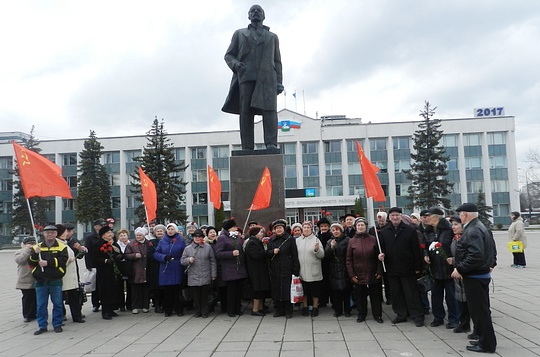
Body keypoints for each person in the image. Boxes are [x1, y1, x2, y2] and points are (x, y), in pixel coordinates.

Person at [222, 4, 283, 150]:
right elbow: (229, 55)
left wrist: (279, 82)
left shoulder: (272, 37)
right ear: (249, 16)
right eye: (252, 11)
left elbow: (277, 61)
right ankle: (247, 147)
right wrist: (236, 65)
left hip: (267, 79)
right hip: (246, 77)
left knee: (269, 111)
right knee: (246, 112)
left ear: (263, 16)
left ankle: (271, 144)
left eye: (259, 11)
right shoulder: (239, 34)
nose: (256, 12)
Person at [452, 203, 497, 353]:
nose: (459, 217)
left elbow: (476, 255)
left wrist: (460, 268)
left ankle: (487, 344)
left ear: (464, 214)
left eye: (460, 214)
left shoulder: (473, 230)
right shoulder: (478, 226)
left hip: (475, 276)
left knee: (480, 312)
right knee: (480, 311)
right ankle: (483, 338)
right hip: (479, 275)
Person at [378, 207, 425, 327]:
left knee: (411, 293)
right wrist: (381, 255)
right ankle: (401, 314)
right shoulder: (384, 232)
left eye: (397, 215)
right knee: (396, 293)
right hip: (391, 268)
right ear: (389, 217)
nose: (395, 217)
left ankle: (417, 315)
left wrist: (418, 267)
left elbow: (416, 250)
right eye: (392, 215)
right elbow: (381, 248)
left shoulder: (409, 230)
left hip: (407, 267)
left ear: (401, 216)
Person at [422, 207, 460, 329]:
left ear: (437, 217)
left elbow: (454, 246)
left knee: (451, 295)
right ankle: (438, 317)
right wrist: (426, 254)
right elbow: (425, 245)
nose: (427, 218)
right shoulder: (428, 230)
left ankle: (454, 319)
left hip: (447, 267)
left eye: (429, 216)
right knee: (436, 295)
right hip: (434, 267)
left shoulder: (448, 229)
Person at [28, 225, 68, 335]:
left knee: (58, 303)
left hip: (55, 278)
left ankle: (57, 324)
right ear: (44, 234)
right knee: (41, 304)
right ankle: (42, 326)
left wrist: (48, 263)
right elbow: (31, 262)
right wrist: (35, 254)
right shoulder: (37, 246)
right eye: (47, 232)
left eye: (52, 232)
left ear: (56, 234)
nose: (50, 234)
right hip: (41, 279)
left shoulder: (61, 247)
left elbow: (63, 260)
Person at [346, 217, 383, 323]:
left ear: (366, 227)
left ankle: (377, 315)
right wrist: (352, 274)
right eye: (358, 225)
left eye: (362, 225)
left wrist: (379, 271)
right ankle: (361, 314)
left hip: (373, 272)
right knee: (360, 296)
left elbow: (379, 257)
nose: (360, 227)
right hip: (358, 273)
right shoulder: (352, 241)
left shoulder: (373, 239)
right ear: (355, 227)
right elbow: (348, 259)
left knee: (375, 295)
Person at [181, 229, 217, 318]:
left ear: (202, 238)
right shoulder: (188, 248)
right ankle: (198, 311)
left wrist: (213, 274)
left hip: (205, 275)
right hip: (193, 276)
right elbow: (182, 261)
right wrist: (188, 260)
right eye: (195, 237)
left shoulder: (208, 247)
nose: (197, 238)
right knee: (196, 296)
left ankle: (205, 311)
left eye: (199, 237)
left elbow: (213, 261)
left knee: (204, 295)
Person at [446, 215, 473, 335]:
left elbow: (470, 256)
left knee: (470, 302)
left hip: (467, 273)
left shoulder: (468, 237)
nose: (453, 227)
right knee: (461, 301)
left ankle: (476, 328)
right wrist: (453, 260)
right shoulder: (455, 238)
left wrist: (461, 268)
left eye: (456, 224)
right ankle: (464, 324)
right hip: (458, 273)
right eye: (452, 225)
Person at [215, 218, 248, 317]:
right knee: (231, 291)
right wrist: (231, 253)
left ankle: (238, 308)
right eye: (233, 226)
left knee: (239, 291)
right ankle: (231, 310)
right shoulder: (222, 238)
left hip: (239, 267)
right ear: (229, 228)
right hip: (230, 269)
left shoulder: (236, 236)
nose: (235, 228)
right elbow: (218, 253)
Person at [268, 219, 300, 318]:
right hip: (275, 269)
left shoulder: (290, 239)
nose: (278, 230)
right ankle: (279, 310)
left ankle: (288, 311)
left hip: (287, 268)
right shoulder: (271, 240)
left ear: (284, 229)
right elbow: (268, 254)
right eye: (277, 228)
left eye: (280, 228)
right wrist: (272, 252)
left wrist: (295, 269)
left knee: (287, 290)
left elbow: (294, 254)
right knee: (277, 290)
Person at [154, 223, 186, 317]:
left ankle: (179, 309)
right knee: (167, 291)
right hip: (166, 267)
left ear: (175, 230)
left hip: (177, 266)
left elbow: (184, 252)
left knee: (177, 290)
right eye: (168, 229)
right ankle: (168, 309)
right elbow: (156, 253)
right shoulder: (162, 241)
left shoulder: (180, 241)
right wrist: (164, 257)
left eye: (172, 229)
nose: (170, 231)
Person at [91, 225, 123, 320]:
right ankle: (105, 311)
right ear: (103, 235)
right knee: (105, 291)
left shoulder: (111, 244)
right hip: (104, 271)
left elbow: (115, 254)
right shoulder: (98, 245)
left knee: (112, 290)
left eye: (111, 233)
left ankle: (111, 309)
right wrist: (105, 261)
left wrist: (118, 257)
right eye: (108, 233)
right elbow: (95, 258)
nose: (111, 234)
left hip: (112, 271)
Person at [56, 224, 85, 323]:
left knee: (74, 295)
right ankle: (61, 315)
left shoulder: (72, 241)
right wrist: (68, 260)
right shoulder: (57, 244)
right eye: (66, 231)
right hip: (62, 274)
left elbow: (80, 255)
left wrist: (80, 250)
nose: (68, 233)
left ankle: (77, 316)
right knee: (60, 296)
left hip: (72, 273)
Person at [296, 221, 324, 317]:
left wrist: (317, 250)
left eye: (308, 227)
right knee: (304, 291)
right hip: (302, 270)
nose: (306, 229)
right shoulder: (298, 240)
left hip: (313, 270)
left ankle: (315, 307)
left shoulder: (316, 240)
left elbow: (322, 255)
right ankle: (304, 307)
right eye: (304, 227)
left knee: (315, 291)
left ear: (311, 229)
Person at [244, 225, 273, 316]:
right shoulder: (252, 242)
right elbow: (256, 255)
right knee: (257, 290)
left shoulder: (257, 242)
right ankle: (255, 309)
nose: (262, 234)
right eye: (260, 232)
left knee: (261, 290)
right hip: (255, 271)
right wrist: (269, 252)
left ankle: (260, 308)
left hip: (260, 270)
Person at [324, 223, 351, 317]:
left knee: (346, 292)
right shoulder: (329, 241)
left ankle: (347, 310)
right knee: (336, 293)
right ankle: (338, 310)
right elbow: (326, 256)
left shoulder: (347, 240)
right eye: (333, 230)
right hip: (334, 270)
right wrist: (331, 247)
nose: (335, 232)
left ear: (341, 231)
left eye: (337, 230)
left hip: (345, 268)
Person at [124, 227, 151, 314]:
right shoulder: (131, 244)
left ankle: (145, 306)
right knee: (135, 290)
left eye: (140, 235)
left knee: (145, 289)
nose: (138, 237)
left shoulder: (148, 243)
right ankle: (135, 306)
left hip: (146, 269)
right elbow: (126, 255)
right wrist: (134, 256)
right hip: (135, 270)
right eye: (137, 235)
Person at [84, 218, 107, 312]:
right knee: (95, 285)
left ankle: (104, 302)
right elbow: (87, 252)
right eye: (101, 226)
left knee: (104, 284)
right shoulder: (90, 238)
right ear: (96, 227)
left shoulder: (106, 236)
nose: (102, 227)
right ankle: (95, 304)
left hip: (104, 263)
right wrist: (88, 265)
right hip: (94, 264)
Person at [14, 236, 37, 323]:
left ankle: (35, 313)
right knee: (27, 298)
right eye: (29, 243)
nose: (31, 245)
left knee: (36, 298)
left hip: (36, 278)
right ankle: (27, 315)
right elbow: (20, 260)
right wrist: (27, 250)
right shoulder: (20, 252)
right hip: (25, 278)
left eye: (33, 243)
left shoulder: (37, 251)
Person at [148, 224, 166, 313]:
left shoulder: (167, 241)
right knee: (156, 288)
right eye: (157, 231)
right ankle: (157, 305)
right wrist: (159, 257)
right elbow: (149, 254)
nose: (159, 232)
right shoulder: (152, 242)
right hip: (155, 267)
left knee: (165, 287)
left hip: (165, 267)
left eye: (161, 230)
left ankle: (164, 304)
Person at [116, 229, 132, 311]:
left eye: (124, 235)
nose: (123, 237)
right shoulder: (116, 245)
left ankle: (129, 304)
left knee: (130, 286)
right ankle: (121, 304)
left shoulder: (131, 244)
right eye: (121, 235)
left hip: (129, 267)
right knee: (119, 287)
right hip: (120, 267)